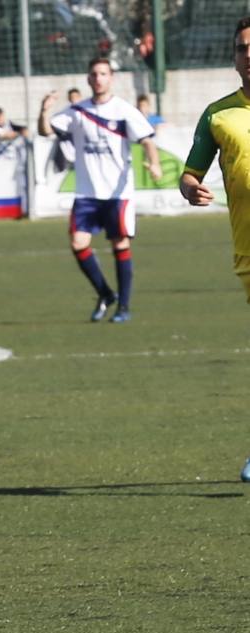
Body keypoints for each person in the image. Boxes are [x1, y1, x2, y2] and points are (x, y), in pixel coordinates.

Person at [39, 57, 161, 323]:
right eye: (94, 74)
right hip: (86, 193)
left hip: (117, 193)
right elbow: (46, 130)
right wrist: (44, 111)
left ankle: (124, 306)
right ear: (88, 79)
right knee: (77, 243)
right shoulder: (77, 111)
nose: (98, 78)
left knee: (119, 243)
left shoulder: (123, 110)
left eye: (103, 74)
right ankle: (106, 293)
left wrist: (154, 163)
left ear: (111, 78)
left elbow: (147, 139)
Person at [181, 16, 250, 479]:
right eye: (243, 47)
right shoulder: (218, 114)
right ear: (234, 58)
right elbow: (191, 172)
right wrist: (190, 188)